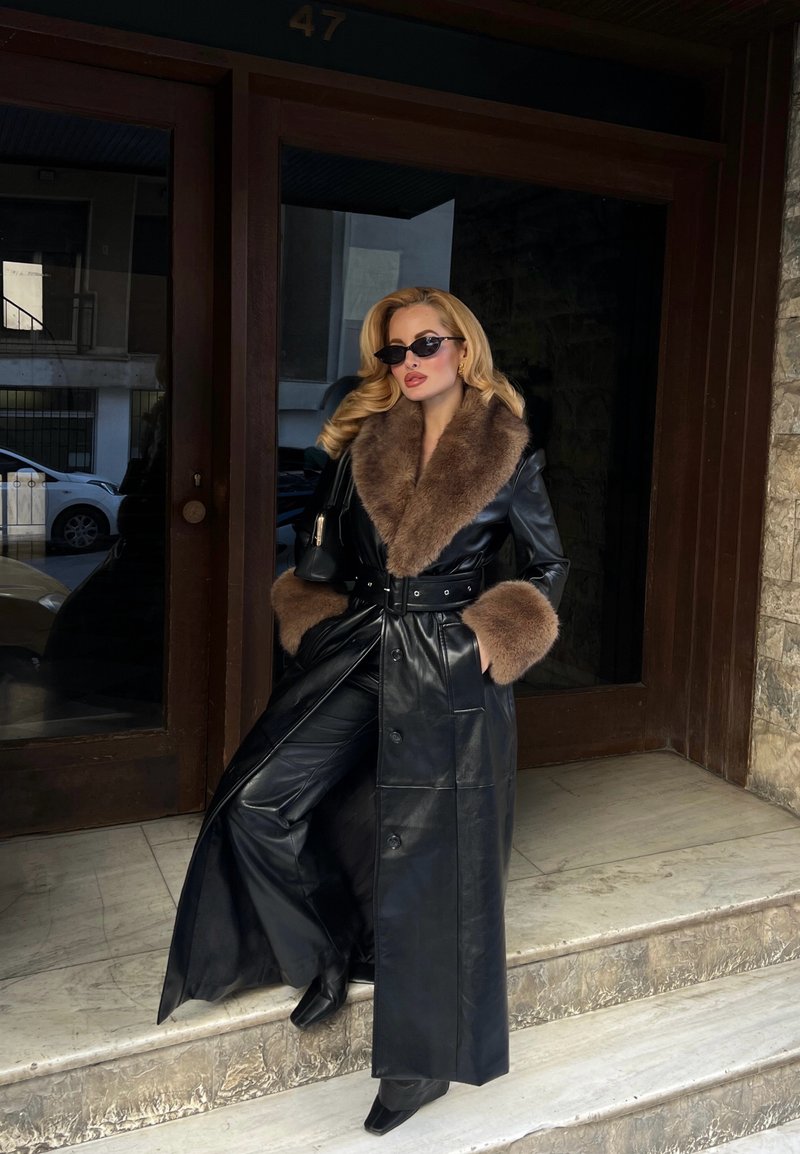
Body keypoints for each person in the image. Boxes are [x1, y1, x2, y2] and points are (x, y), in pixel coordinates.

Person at [158, 286, 569, 1135]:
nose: (409, 363)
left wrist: (493, 638)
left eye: (426, 345)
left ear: (463, 345)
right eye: (393, 352)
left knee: (431, 865)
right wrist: (308, 616)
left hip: (449, 663)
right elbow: (323, 562)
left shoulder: (507, 447)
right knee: (258, 801)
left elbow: (550, 565)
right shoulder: (362, 444)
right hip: (357, 645)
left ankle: (419, 1070)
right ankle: (327, 950)